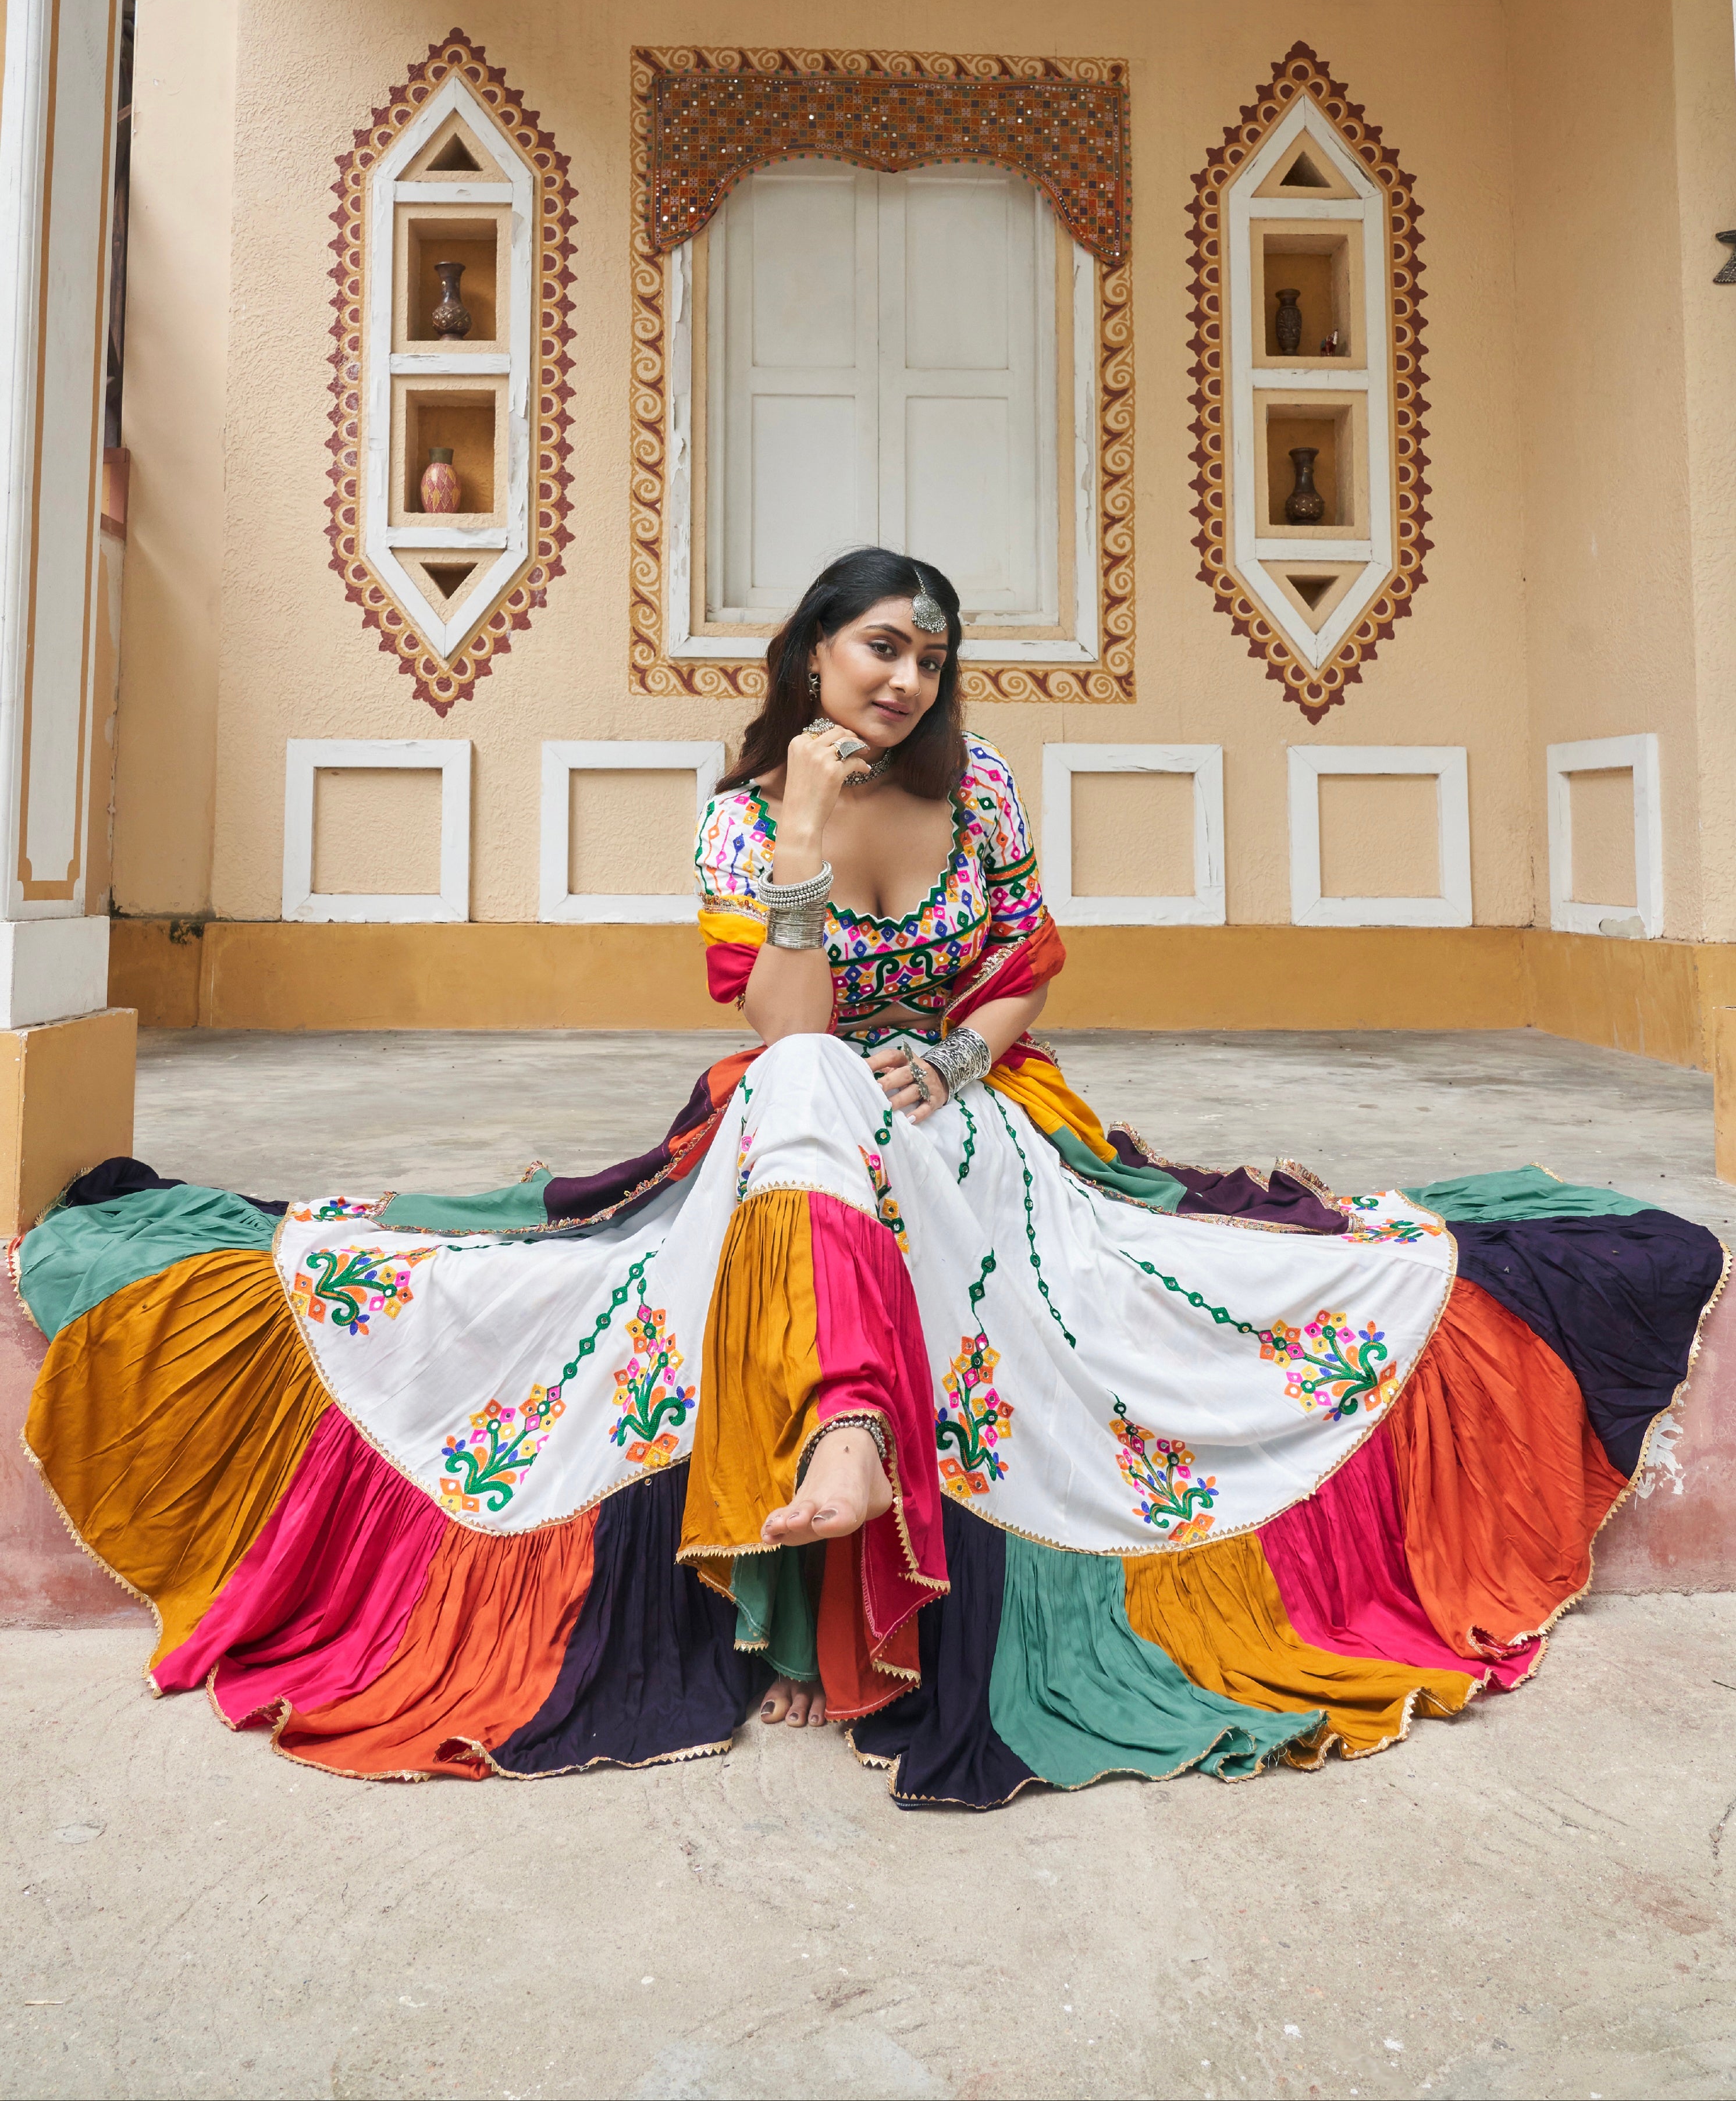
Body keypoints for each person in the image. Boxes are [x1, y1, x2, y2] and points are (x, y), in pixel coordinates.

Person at [13, 550, 1726, 1805]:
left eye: (931, 655)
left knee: (1182, 1255)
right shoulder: (743, 816)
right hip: (798, 1112)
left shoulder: (980, 791)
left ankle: (850, 1461)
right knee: (813, 1070)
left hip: (973, 1103)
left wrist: (965, 1056)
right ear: (813, 655)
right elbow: (777, 1024)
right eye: (880, 647)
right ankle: (841, 1429)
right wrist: (812, 857)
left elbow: (1026, 972)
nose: (906, 679)